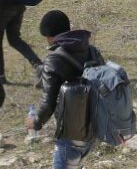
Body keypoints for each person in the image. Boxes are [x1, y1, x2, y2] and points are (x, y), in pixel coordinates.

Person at [26, 10, 101, 168]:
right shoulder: (91, 50)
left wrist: (36, 122)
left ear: (49, 36)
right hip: (93, 133)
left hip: (70, 136)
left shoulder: (54, 59)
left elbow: (48, 103)